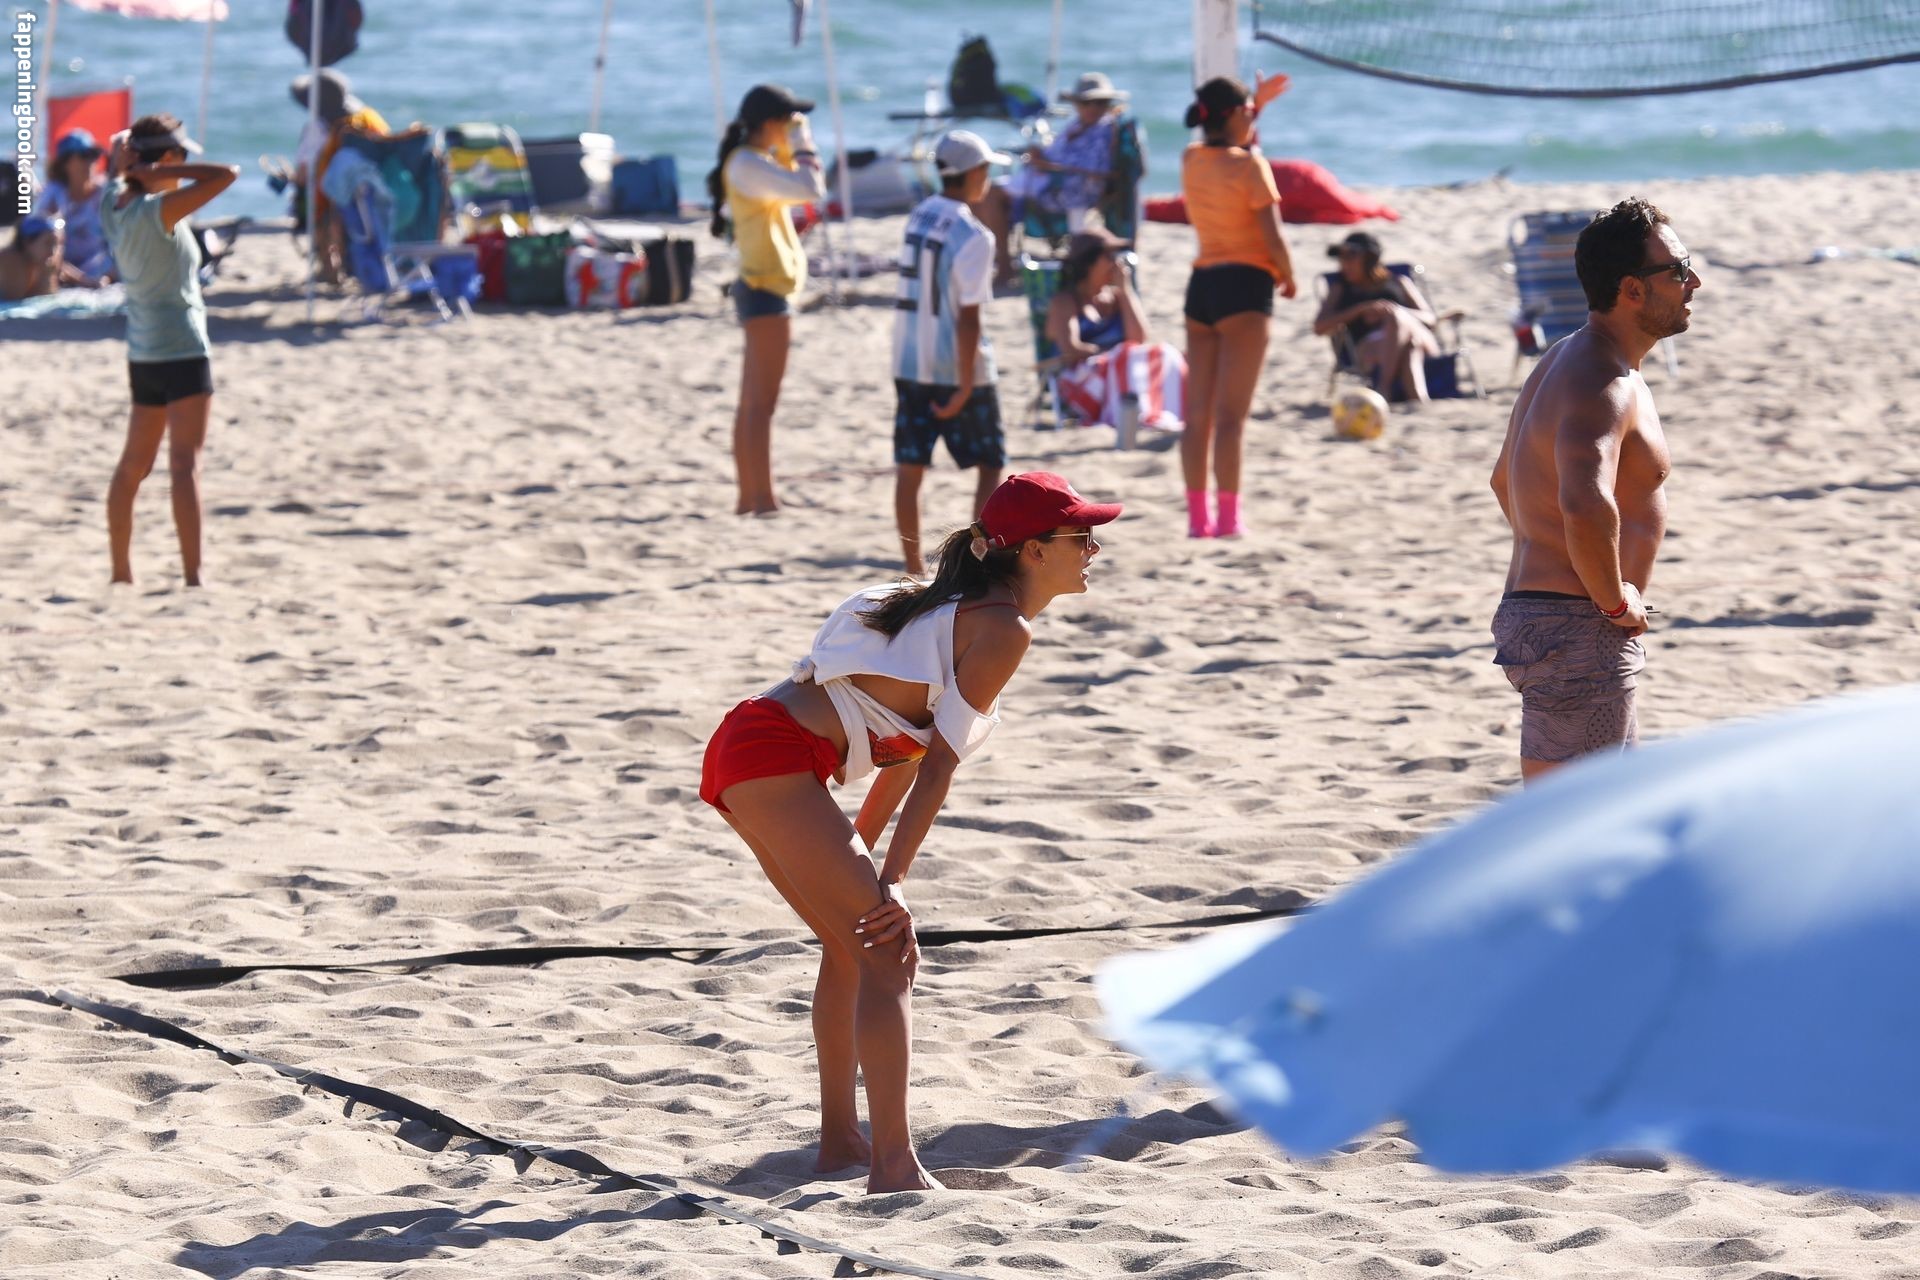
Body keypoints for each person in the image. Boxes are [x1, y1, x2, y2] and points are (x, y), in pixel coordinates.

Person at [699, 471, 1121, 1192]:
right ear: (1033, 550)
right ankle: (893, 1166)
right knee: (890, 953)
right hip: (772, 758)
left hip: (751, 748)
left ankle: (841, 1142)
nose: (1094, 550)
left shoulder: (949, 605)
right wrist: (889, 883)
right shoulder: (1001, 627)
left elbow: (907, 754)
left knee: (853, 944)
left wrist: (867, 863)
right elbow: (937, 768)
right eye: (1081, 537)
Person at [1488, 198, 1699, 782]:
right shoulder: (1603, 379)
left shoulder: (1564, 359)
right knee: (1570, 820)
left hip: (1557, 617)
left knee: (1608, 806)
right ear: (1632, 289)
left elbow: (1504, 481)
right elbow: (1583, 502)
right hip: (1578, 624)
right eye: (1679, 270)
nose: (1694, 283)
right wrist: (1611, 601)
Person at [99, 115, 238, 588]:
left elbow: (115, 175)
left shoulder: (112, 205)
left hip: (143, 353)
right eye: (181, 157)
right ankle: (194, 577)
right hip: (183, 349)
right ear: (169, 159)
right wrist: (156, 173)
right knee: (185, 466)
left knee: (132, 466)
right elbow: (227, 175)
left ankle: (121, 572)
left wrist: (126, 166)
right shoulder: (159, 209)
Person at [1179, 74, 1298, 539]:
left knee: (1198, 417)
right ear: (1233, 115)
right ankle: (1228, 520)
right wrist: (1289, 275)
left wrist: (1254, 106)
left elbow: (1227, 140)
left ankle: (1197, 520)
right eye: (1248, 111)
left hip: (1202, 288)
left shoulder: (1191, 158)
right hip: (1246, 287)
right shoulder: (1252, 166)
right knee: (1231, 419)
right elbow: (1274, 235)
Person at [892, 130, 1012, 577]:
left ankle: (912, 569)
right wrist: (964, 385)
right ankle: (974, 564)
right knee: (990, 463)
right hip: (954, 366)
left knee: (910, 467)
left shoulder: (919, 214)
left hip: (908, 358)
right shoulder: (973, 235)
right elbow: (968, 318)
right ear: (974, 173)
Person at [708, 84, 826, 517]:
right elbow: (811, 187)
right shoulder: (747, 165)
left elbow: (794, 184)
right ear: (771, 123)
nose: (793, 126)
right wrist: (803, 141)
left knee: (753, 404)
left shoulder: (751, 162)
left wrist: (789, 146)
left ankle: (753, 497)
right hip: (764, 290)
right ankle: (759, 499)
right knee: (760, 405)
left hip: (762, 287)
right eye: (788, 120)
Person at [973, 71, 1136, 283]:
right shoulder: (1077, 126)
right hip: (1049, 180)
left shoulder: (1104, 130)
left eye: (1100, 102)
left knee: (990, 196)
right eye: (1087, 102)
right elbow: (1062, 156)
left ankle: (1004, 266)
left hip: (1066, 188)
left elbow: (1092, 169)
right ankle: (996, 260)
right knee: (979, 198)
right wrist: (1041, 155)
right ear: (1077, 103)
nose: (1093, 107)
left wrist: (1046, 165)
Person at [1046, 227, 1186, 430]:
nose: (1117, 263)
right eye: (1109, 256)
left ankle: (1169, 415)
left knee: (1165, 353)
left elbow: (1139, 338)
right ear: (1088, 264)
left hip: (1119, 373)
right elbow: (1070, 348)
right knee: (1126, 357)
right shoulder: (1066, 302)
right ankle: (1139, 417)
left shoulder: (1116, 298)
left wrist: (1126, 291)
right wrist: (1112, 355)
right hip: (1081, 382)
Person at [1312, 230, 1441, 404]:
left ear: (1370, 258)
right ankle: (1417, 400)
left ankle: (1383, 387)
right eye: (1341, 258)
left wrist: (1394, 311)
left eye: (1351, 256)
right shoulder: (1340, 288)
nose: (1344, 263)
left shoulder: (1399, 282)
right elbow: (1319, 327)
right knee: (1410, 346)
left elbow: (1430, 319)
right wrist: (1360, 310)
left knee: (1396, 319)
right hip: (1373, 347)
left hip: (1418, 338)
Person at [288, 70, 389, 285]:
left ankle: (328, 268)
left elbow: (303, 173)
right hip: (372, 193)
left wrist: (294, 179)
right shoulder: (366, 121)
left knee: (311, 203)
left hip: (330, 196)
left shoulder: (317, 129)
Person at [37, 129, 114, 285]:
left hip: (102, 268)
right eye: (84, 156)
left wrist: (107, 277)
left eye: (94, 155)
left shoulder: (104, 192)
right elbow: (42, 248)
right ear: (66, 163)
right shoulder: (54, 196)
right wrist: (82, 280)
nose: (91, 162)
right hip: (65, 271)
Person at [0, 215, 65, 301]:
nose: (52, 251)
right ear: (27, 242)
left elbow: (48, 297)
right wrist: (45, 276)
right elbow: (17, 300)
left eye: (55, 244)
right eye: (47, 243)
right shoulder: (10, 258)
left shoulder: (43, 261)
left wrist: (46, 275)